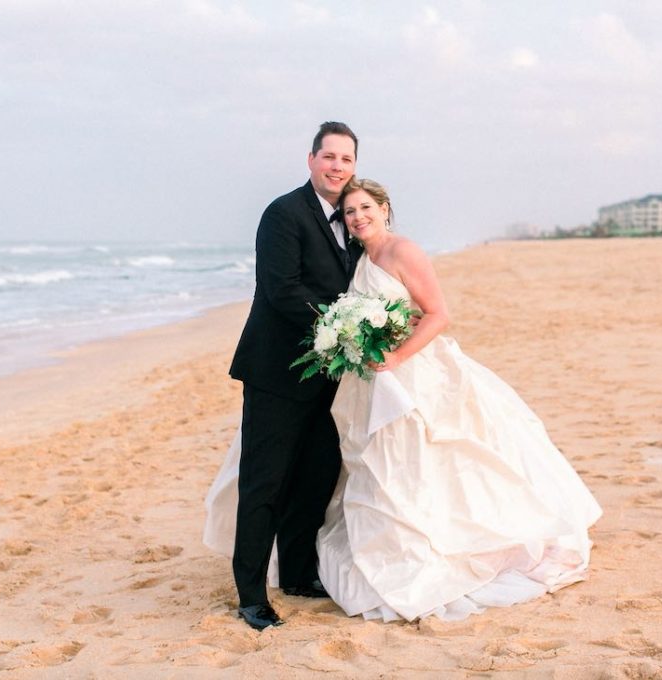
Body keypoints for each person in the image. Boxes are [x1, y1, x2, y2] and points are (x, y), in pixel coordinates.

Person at [312, 178, 603, 621]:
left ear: (385, 208)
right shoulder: (362, 257)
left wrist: (396, 356)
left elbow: (439, 314)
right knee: (381, 462)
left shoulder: (402, 251)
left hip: (414, 372)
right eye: (350, 212)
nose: (358, 218)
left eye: (366, 208)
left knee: (424, 456)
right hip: (375, 380)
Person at [224, 122, 362, 630]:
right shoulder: (282, 214)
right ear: (310, 160)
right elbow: (282, 289)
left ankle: (300, 573)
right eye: (329, 157)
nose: (336, 167)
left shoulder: (352, 218)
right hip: (277, 372)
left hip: (330, 377)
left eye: (346, 160)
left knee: (315, 479)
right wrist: (346, 322)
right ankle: (251, 596)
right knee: (265, 483)